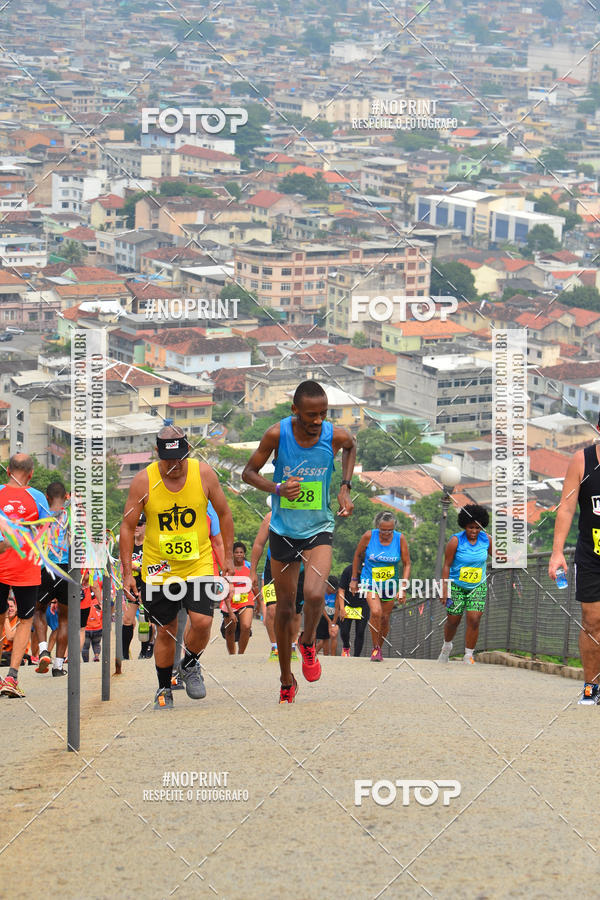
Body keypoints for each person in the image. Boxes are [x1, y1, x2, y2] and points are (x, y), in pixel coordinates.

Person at [242, 379, 356, 703]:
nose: (318, 421)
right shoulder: (278, 434)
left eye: (323, 413)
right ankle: (285, 678)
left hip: (318, 528)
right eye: (310, 415)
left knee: (315, 591)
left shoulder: (334, 435)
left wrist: (344, 487)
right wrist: (277, 489)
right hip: (283, 530)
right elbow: (247, 472)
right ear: (295, 411)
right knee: (285, 609)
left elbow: (352, 445)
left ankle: (307, 643)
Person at [120, 424, 235, 710]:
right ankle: (163, 687)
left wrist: (229, 557)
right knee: (166, 629)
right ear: (158, 454)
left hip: (198, 562)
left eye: (180, 458)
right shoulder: (143, 481)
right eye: (168, 460)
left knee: (203, 621)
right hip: (159, 568)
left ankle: (190, 664)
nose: (175, 465)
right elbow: (127, 525)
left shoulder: (204, 474)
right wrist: (126, 573)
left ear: (187, 452)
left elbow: (224, 512)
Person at [549, 424, 600, 703]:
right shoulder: (582, 460)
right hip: (591, 555)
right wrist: (557, 552)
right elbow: (567, 507)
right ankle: (592, 688)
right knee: (592, 622)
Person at [0, 454, 51, 698]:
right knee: (24, 620)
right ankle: (11, 677)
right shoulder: (38, 498)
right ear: (30, 474)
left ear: (8, 470)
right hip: (26, 567)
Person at [351, 511, 410, 661]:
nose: (386, 533)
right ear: (378, 526)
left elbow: (407, 563)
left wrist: (402, 587)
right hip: (369, 581)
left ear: (394, 528)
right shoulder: (368, 536)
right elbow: (357, 555)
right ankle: (375, 648)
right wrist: (353, 579)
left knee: (384, 618)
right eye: (383, 529)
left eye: (390, 530)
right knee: (376, 612)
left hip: (390, 584)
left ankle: (379, 647)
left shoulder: (400, 538)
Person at [438, 504, 492, 664]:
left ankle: (469, 654)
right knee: (453, 620)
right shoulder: (455, 541)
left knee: (474, 619)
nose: (474, 531)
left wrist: (513, 557)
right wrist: (444, 589)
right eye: (470, 527)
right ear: (464, 526)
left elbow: (500, 557)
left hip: (478, 585)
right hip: (456, 586)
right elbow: (446, 565)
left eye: (477, 528)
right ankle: (447, 646)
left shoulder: (487, 539)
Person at [249, 507, 301, 662]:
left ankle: (292, 646)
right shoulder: (271, 517)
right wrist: (252, 571)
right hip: (272, 568)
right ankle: (275, 647)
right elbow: (259, 544)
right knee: (271, 610)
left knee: (294, 611)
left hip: (296, 568)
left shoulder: (304, 516)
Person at [33, 481, 70, 677]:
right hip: (66, 571)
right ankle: (57, 666)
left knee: (38, 610)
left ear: (46, 498)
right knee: (64, 619)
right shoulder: (72, 518)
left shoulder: (42, 517)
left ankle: (43, 648)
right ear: (66, 497)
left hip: (45, 569)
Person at [220, 542, 256, 654]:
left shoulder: (249, 566)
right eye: (236, 552)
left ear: (244, 554)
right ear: (233, 554)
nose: (239, 554)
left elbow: (254, 585)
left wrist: (260, 602)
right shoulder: (227, 569)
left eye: (241, 552)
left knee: (246, 626)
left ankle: (241, 654)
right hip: (229, 601)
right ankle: (232, 655)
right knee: (230, 629)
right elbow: (224, 590)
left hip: (246, 599)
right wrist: (230, 611)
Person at [337, 564, 370, 657]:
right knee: (344, 631)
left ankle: (356, 656)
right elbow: (341, 590)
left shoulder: (370, 570)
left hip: (363, 605)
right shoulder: (348, 570)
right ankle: (346, 646)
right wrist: (342, 608)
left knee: (360, 631)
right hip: (348, 604)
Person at [315, 575, 340, 656]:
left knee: (333, 635)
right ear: (327, 585)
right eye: (333, 588)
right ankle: (324, 655)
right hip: (323, 616)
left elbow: (337, 608)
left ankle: (333, 656)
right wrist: (329, 621)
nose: (334, 590)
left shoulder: (337, 593)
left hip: (334, 617)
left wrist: (333, 623)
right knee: (324, 638)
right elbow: (321, 607)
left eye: (335, 588)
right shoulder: (321, 591)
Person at [82, 594, 102, 662]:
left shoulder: (84, 603)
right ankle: (96, 656)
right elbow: (102, 615)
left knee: (85, 647)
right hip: (98, 628)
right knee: (96, 644)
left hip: (86, 629)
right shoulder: (98, 603)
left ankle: (86, 661)